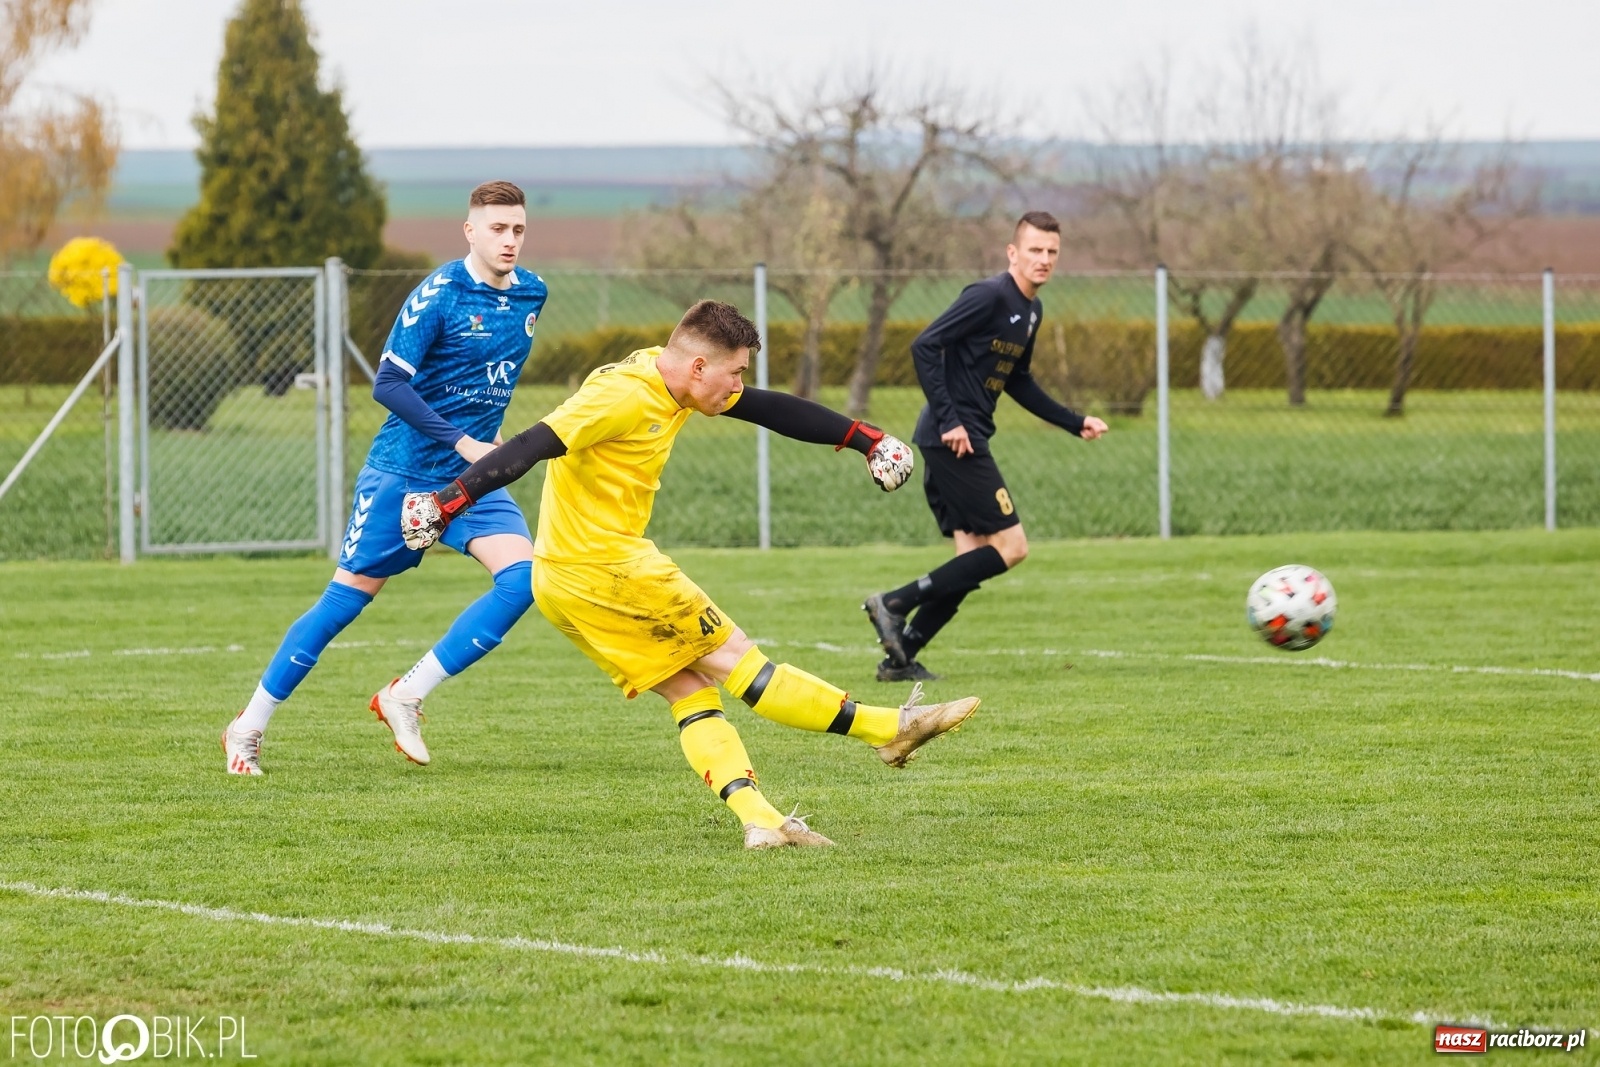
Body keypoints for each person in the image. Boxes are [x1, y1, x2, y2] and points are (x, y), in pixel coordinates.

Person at [400, 300, 980, 849]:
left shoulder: (677, 375)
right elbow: (531, 444)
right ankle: (889, 729)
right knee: (740, 661)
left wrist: (862, 438)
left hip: (561, 580)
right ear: (699, 365)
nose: (737, 386)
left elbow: (770, 409)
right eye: (734, 373)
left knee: (691, 692)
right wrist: (448, 500)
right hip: (610, 568)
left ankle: (762, 822)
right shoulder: (622, 394)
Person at [222, 180, 548, 775]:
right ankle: (247, 726)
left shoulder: (532, 294)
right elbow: (388, 383)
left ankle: (406, 694)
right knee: (343, 603)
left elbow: (487, 380)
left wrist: (485, 443)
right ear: (470, 230)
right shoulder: (439, 294)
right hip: (403, 475)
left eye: (518, 229)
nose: (509, 241)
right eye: (497, 228)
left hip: (473, 479)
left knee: (525, 580)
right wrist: (463, 437)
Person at [862, 211, 1109, 682]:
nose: (1044, 259)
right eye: (1035, 250)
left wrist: (1074, 422)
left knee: (970, 559)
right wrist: (952, 420)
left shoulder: (1032, 312)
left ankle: (902, 655)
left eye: (1052, 252)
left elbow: (1019, 381)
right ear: (1012, 253)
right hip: (952, 438)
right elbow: (925, 345)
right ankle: (893, 602)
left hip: (958, 437)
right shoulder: (988, 296)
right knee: (1012, 546)